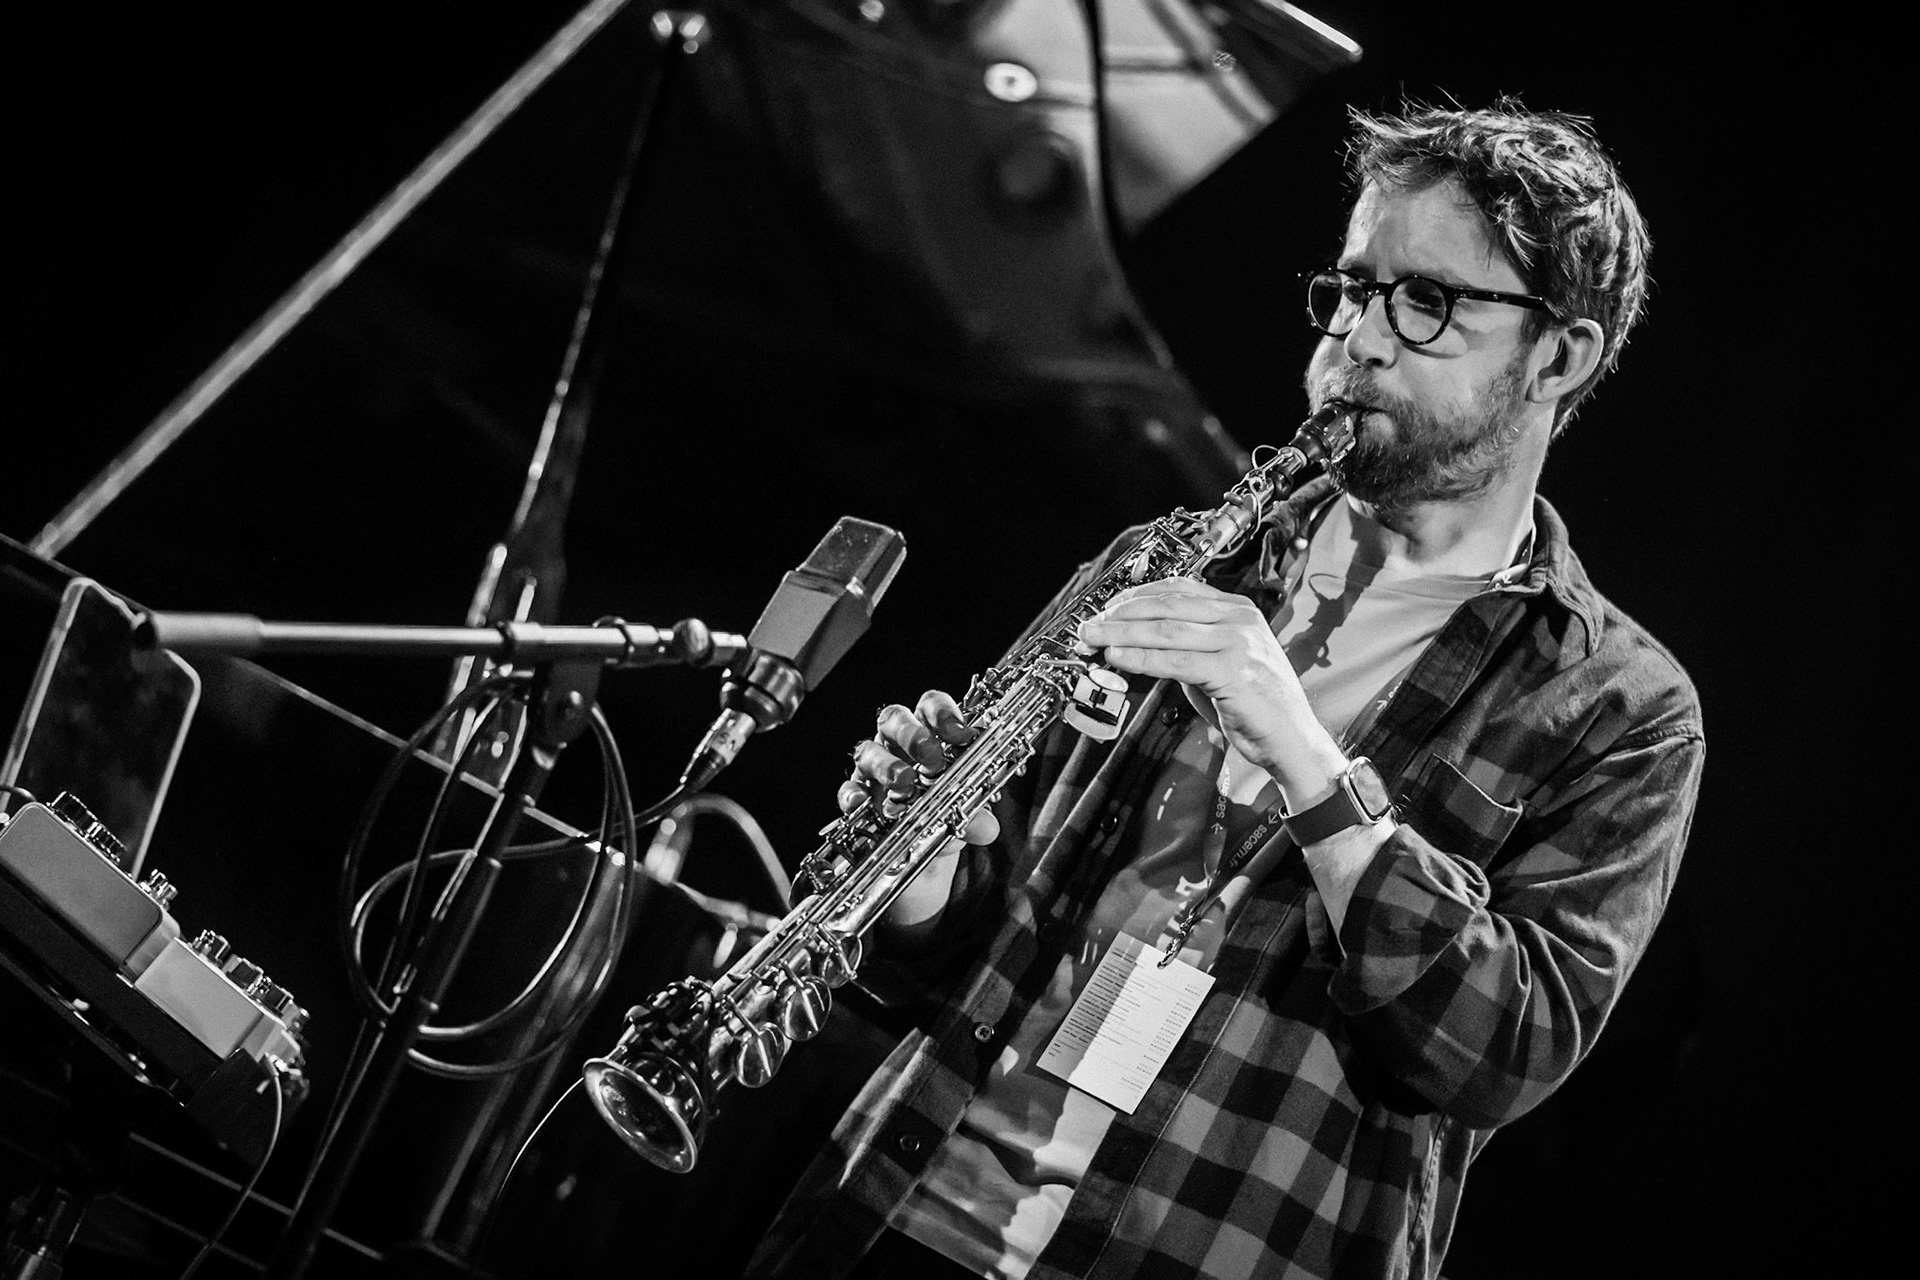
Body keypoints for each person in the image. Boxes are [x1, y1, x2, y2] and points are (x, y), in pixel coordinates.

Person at [744, 99, 1704, 1280]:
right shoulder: (1183, 555)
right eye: (1355, 287)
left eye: (1427, 301)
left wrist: (1307, 755)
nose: (1360, 337)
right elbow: (976, 953)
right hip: (902, 1206)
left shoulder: (1618, 702)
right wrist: (930, 886)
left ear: (1560, 355)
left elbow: (1502, 1044)